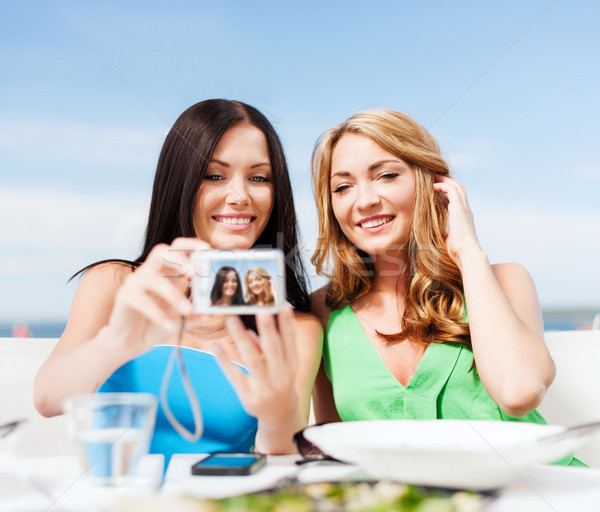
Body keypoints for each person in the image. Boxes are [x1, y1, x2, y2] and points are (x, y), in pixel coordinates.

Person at [34, 99, 322, 462]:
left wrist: (277, 415)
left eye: (259, 177)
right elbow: (47, 399)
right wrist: (118, 342)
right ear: (180, 182)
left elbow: (280, 462)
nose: (240, 196)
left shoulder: (295, 328)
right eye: (214, 175)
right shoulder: (116, 284)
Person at [309, 108, 584, 466]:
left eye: (387, 175)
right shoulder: (324, 309)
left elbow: (519, 393)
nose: (364, 200)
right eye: (343, 187)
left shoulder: (503, 280)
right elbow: (337, 450)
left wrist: (468, 252)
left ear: (434, 184)